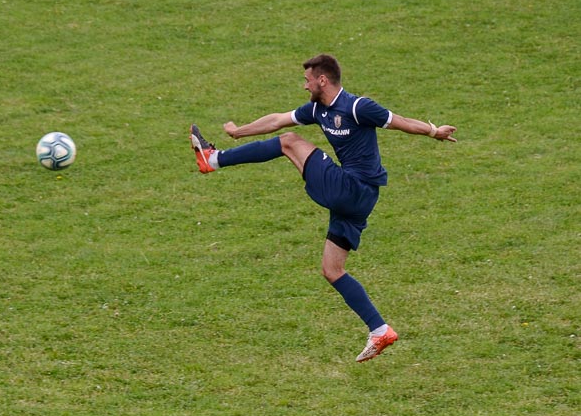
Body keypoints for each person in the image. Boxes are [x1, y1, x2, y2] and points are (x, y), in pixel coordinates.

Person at [188, 54, 457, 362]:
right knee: (332, 270)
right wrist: (239, 131)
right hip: (358, 200)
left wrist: (434, 132)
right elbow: (277, 119)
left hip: (353, 188)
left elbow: (401, 123)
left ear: (323, 80)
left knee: (289, 141)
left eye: (307, 80)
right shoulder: (317, 109)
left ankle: (214, 159)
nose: (304, 86)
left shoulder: (358, 107)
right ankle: (380, 329)